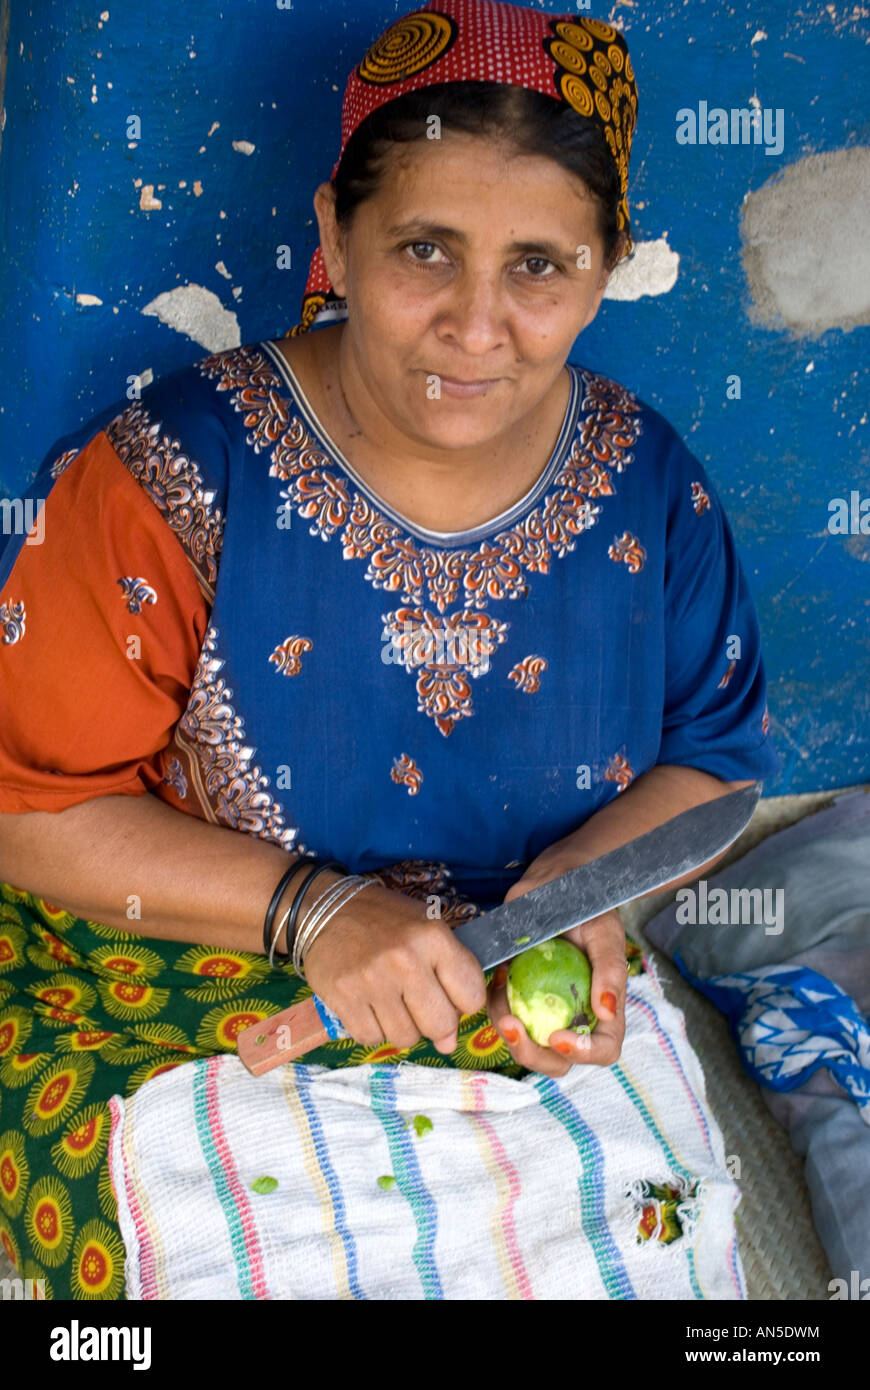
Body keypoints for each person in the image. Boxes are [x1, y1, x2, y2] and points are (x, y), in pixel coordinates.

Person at [0, 0, 779, 1299]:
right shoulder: (174, 473)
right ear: (334, 236)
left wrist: (574, 899)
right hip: (183, 986)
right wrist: (318, 911)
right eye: (425, 249)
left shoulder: (645, 482)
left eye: (540, 264)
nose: (478, 326)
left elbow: (714, 759)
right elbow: (30, 814)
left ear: (604, 264)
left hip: (506, 995)